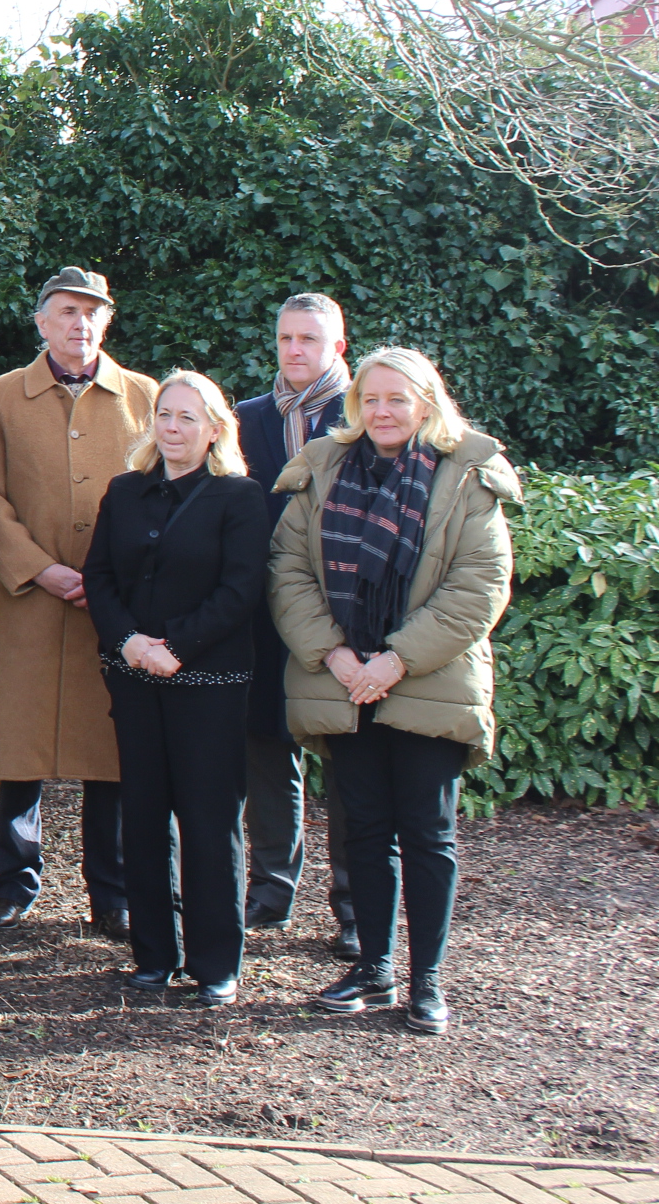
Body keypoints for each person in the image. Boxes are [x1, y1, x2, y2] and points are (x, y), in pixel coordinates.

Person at [269, 347, 517, 1037]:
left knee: (429, 838)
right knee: (364, 831)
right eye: (371, 400)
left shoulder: (466, 475)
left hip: (427, 682)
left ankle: (426, 980)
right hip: (347, 682)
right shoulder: (323, 468)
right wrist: (338, 656)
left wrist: (395, 661)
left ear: (426, 405)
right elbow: (288, 570)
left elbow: (479, 587)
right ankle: (372, 968)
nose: (382, 411)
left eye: (397, 400)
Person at [0, 265, 158, 939]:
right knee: (21, 754)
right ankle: (14, 884)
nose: (80, 324)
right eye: (67, 312)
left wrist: (115, 579)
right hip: (31, 605)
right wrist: (38, 569)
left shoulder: (144, 397)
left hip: (115, 612)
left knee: (113, 756)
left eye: (92, 313)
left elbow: (164, 495)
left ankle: (113, 894)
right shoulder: (2, 398)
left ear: (107, 322)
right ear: (41, 321)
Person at [84, 370, 274, 1005]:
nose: (171, 427)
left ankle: (216, 961)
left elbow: (241, 589)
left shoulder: (240, 497)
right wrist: (131, 643)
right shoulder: (125, 491)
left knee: (209, 818)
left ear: (215, 429)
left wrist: (178, 648)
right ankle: (153, 955)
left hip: (210, 683)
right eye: (164, 414)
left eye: (187, 417)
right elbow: (101, 577)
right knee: (142, 815)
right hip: (134, 678)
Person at [233, 293, 357, 955]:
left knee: (348, 757)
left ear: (337, 345)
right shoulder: (247, 418)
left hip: (344, 615)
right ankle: (271, 890)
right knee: (266, 748)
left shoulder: (366, 415)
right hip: (260, 612)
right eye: (285, 338)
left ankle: (353, 903)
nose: (295, 350)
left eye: (309, 339)